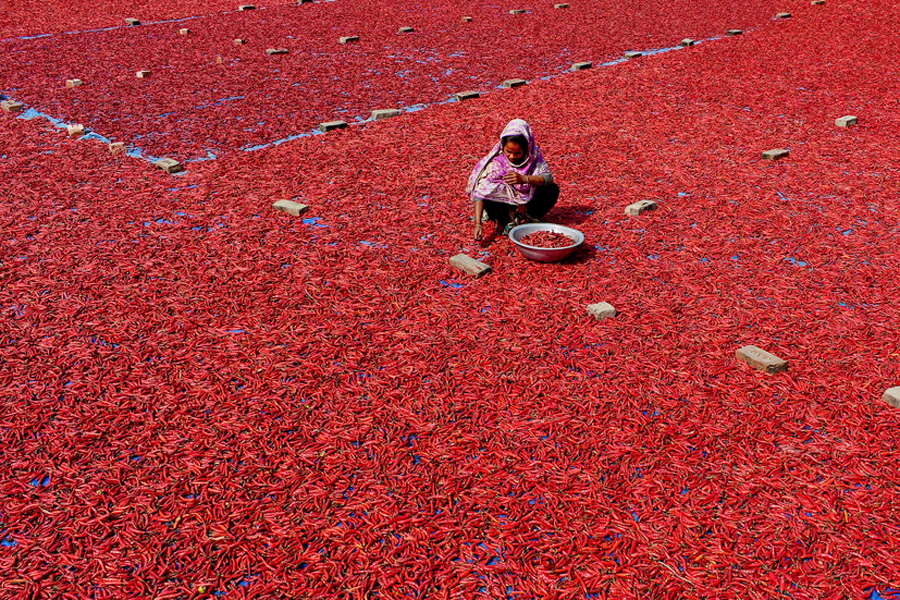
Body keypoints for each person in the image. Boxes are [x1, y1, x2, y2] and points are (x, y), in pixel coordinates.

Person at [466, 119, 559, 240]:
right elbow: (480, 193)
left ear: (526, 148)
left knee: (551, 189)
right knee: (491, 190)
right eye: (508, 151)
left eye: (518, 153)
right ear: (502, 146)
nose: (512, 156)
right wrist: (478, 224)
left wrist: (524, 179)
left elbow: (548, 178)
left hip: (527, 202)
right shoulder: (498, 162)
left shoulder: (533, 156)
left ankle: (525, 216)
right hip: (503, 205)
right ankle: (503, 220)